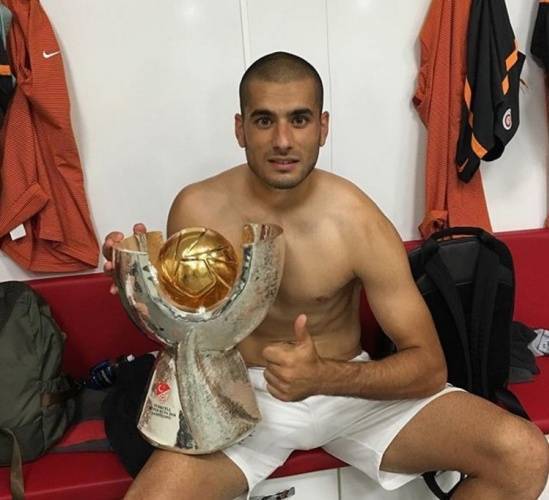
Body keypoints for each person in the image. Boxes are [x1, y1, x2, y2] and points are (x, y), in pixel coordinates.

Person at [102, 52, 549, 500]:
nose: (282, 140)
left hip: (348, 393)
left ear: (322, 127)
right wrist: (138, 284)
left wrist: (323, 377)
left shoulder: (356, 220)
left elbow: (429, 368)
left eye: (299, 120)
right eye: (264, 120)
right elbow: (189, 333)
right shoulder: (197, 208)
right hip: (240, 397)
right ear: (240, 129)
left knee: (524, 456)